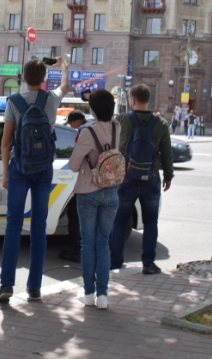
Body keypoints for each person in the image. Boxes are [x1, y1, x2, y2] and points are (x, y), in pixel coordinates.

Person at [0, 57, 69, 303]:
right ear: (44, 79)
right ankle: (34, 287)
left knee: (13, 225)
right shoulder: (51, 99)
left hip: (19, 168)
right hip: (43, 169)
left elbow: (5, 142)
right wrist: (64, 66)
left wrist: (6, 172)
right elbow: (65, 87)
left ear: (24, 78)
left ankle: (6, 284)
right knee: (39, 227)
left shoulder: (13, 102)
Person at [110, 84, 174, 275]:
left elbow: (116, 148)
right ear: (148, 100)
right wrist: (168, 176)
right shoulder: (161, 123)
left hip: (126, 178)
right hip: (151, 178)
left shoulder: (122, 119)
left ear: (132, 100)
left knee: (120, 220)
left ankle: (115, 261)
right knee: (151, 222)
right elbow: (167, 153)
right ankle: (148, 263)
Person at [68, 89, 120, 309]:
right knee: (103, 242)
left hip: (88, 191)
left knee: (87, 242)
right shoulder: (118, 127)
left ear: (94, 109)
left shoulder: (88, 132)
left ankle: (89, 294)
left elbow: (72, 165)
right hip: (111, 191)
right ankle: (104, 296)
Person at [58, 108, 88, 263]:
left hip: (84, 181)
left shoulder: (83, 132)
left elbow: (77, 158)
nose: (70, 127)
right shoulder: (95, 127)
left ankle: (75, 249)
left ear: (77, 121)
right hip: (97, 181)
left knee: (75, 215)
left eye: (71, 123)